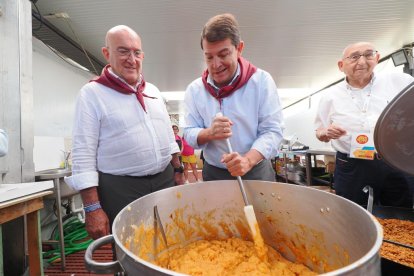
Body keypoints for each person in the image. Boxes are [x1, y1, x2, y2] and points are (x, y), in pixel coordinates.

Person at [65, 25, 184, 240]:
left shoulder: (153, 91)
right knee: (131, 248)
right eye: (123, 51)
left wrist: (178, 169)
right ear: (106, 53)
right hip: (121, 189)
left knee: (170, 239)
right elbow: (83, 154)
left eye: (136, 52)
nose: (132, 59)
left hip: (164, 180)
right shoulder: (92, 94)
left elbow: (168, 136)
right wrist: (92, 209)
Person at [183, 13, 283, 182]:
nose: (215, 65)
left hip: (255, 170)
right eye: (209, 57)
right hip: (214, 173)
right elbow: (188, 132)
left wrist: (247, 160)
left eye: (223, 54)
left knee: (262, 210)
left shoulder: (261, 82)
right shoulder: (195, 90)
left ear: (239, 48)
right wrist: (209, 133)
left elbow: (272, 131)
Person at [315, 41, 414, 207]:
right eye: (354, 57)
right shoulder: (330, 96)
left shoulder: (400, 81)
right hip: (352, 165)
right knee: (352, 213)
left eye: (368, 55)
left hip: (395, 161)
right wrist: (325, 133)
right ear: (341, 65)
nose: (362, 62)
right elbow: (319, 131)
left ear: (377, 58)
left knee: (400, 213)